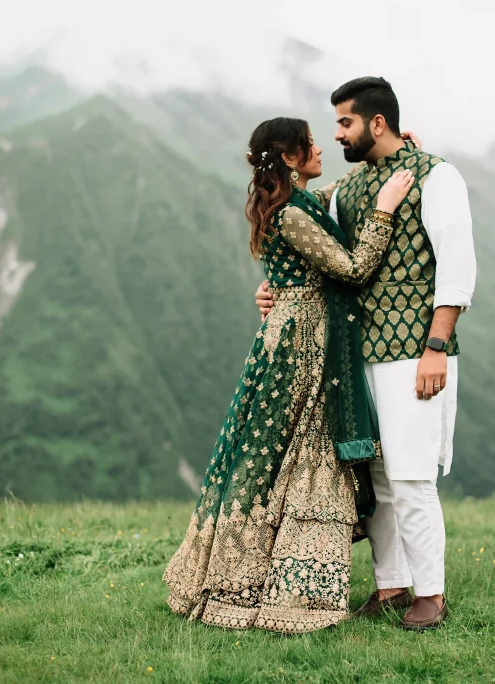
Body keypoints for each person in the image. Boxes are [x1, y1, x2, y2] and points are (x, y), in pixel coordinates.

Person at [162, 116, 416, 634]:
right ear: (292, 157)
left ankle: (278, 574)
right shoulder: (294, 214)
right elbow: (351, 268)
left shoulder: (296, 204)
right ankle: (276, 587)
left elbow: (336, 192)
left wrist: (394, 152)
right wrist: (385, 211)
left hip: (297, 335)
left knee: (281, 454)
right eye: (311, 144)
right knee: (294, 454)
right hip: (302, 348)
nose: (322, 148)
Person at [256, 77, 476, 631]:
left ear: (377, 123)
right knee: (374, 478)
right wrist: (276, 293)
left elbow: (456, 268)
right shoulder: (348, 189)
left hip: (413, 353)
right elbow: (310, 244)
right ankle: (391, 585)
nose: (337, 135)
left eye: (345, 124)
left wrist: (436, 347)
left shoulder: (439, 177)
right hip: (356, 357)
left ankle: (432, 593)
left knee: (411, 478)